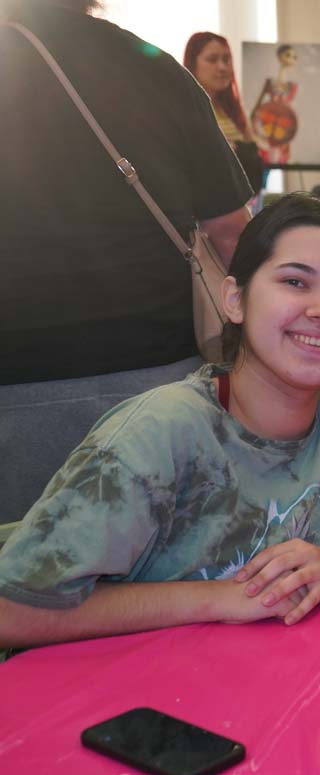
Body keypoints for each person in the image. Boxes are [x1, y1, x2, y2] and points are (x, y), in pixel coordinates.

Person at [0, 194, 320, 651]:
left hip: (316, 689)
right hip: (168, 711)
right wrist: (220, 599)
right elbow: (13, 610)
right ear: (234, 299)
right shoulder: (158, 435)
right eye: (295, 282)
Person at [0, 0, 252, 520]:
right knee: (164, 574)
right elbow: (232, 233)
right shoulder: (155, 68)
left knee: (22, 582)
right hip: (156, 385)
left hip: (15, 390)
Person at [183, 31, 264, 193]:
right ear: (193, 63)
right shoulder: (183, 109)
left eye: (226, 60)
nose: (222, 67)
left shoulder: (237, 113)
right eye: (212, 60)